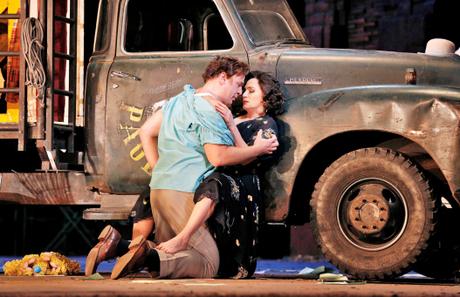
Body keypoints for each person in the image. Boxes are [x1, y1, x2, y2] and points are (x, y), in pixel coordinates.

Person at [84, 70, 284, 278]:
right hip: (208, 181)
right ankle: (132, 249)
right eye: (242, 88)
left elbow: (248, 158)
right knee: (193, 249)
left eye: (250, 90)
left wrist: (232, 126)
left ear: (266, 96)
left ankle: (120, 247)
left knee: (212, 186)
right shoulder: (225, 113)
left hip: (234, 184)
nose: (243, 93)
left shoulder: (266, 124)